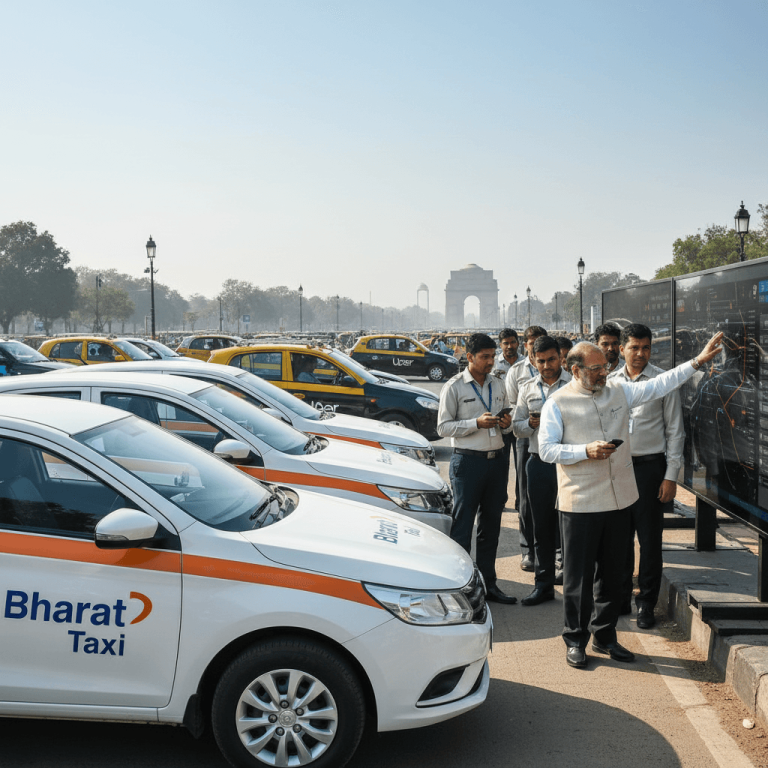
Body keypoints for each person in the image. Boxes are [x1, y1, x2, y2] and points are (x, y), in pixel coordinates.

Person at [538, 331, 724, 669]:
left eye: (605, 366)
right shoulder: (558, 402)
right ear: (575, 369)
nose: (604, 372)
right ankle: (575, 639)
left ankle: (606, 637)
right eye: (595, 368)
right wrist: (584, 451)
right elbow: (546, 449)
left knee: (612, 576)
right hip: (579, 504)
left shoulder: (619, 392)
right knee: (578, 579)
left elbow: (660, 385)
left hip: (618, 500)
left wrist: (697, 362)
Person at [608, 323, 684, 629]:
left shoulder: (663, 382)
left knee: (650, 541)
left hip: (651, 470)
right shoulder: (610, 382)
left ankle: (646, 603)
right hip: (616, 469)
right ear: (622, 348)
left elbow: (675, 432)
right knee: (619, 538)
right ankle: (622, 596)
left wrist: (671, 476)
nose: (640, 354)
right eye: (634, 347)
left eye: (646, 348)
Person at [438, 332, 517, 604]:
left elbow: (506, 412)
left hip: (496, 462)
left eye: (492, 356)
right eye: (484, 357)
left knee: (491, 526)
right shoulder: (455, 386)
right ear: (469, 357)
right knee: (463, 527)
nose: (490, 362)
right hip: (467, 462)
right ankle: (459, 589)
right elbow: (442, 427)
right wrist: (475, 424)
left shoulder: (498, 384)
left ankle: (489, 584)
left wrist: (506, 422)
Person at [513, 336, 571, 606]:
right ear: (533, 361)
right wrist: (531, 424)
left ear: (561, 357)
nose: (546, 366)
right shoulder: (526, 388)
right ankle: (543, 584)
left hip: (568, 464)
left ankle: (571, 582)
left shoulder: (574, 384)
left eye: (551, 359)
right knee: (541, 526)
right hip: (537, 461)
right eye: (541, 361)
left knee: (569, 525)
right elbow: (516, 428)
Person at [506, 325, 547, 572]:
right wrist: (527, 421)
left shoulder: (557, 368)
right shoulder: (516, 372)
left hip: (552, 439)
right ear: (526, 346)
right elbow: (512, 406)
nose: (535, 346)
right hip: (525, 437)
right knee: (525, 495)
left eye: (540, 342)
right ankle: (528, 549)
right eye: (531, 343)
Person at [493, 328, 521, 508]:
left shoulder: (527, 364)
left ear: (518, 343)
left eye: (512, 342)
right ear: (500, 344)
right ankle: (500, 499)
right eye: (506, 343)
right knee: (500, 465)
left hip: (520, 419)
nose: (509, 346)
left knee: (521, 464)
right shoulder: (494, 364)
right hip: (501, 420)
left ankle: (521, 500)